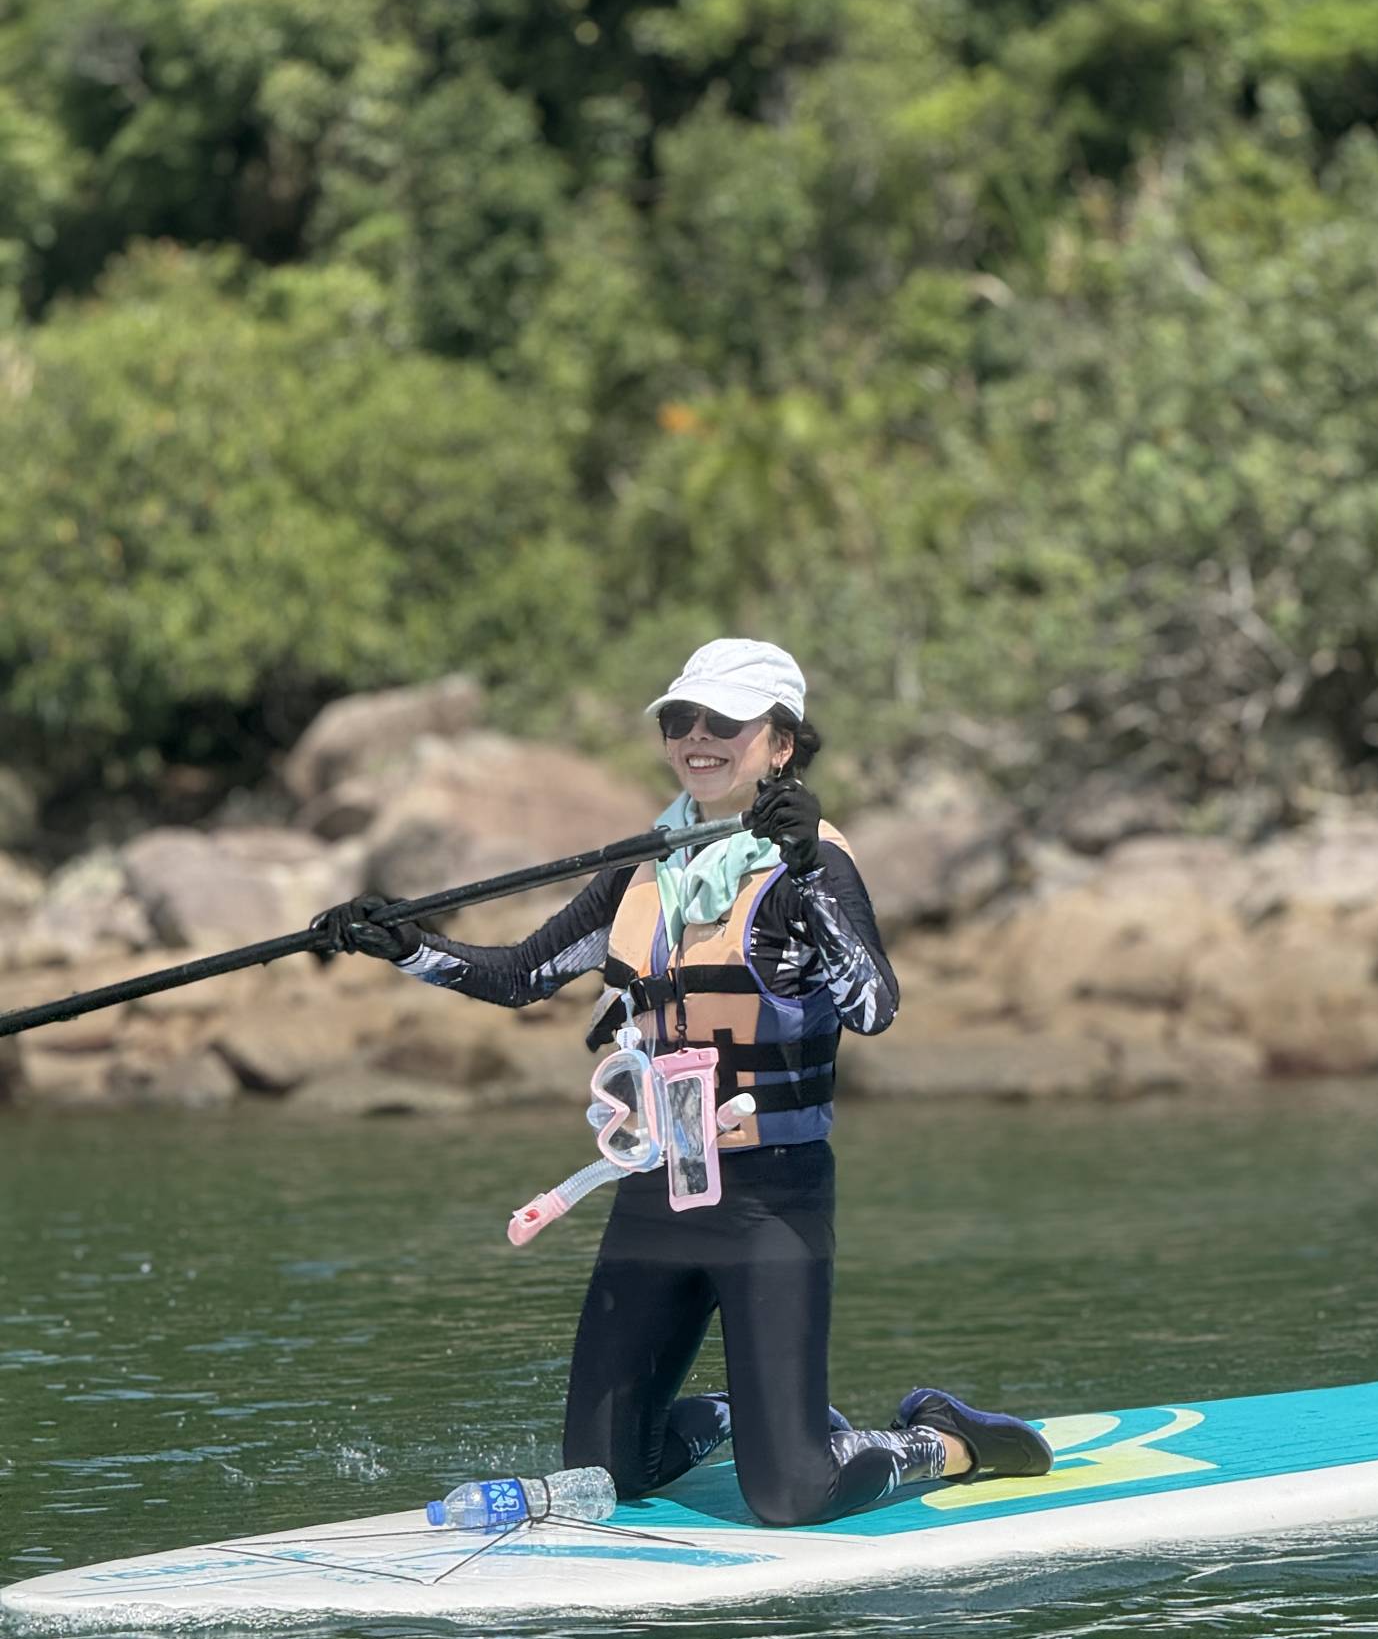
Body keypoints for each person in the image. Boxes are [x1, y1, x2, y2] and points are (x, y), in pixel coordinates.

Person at [314, 639, 1051, 1525]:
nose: (698, 738)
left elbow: (874, 1007)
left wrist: (810, 865)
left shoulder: (807, 867)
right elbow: (520, 975)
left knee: (790, 1494)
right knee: (611, 1474)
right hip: (657, 1195)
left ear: (780, 744)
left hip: (770, 1201)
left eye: (724, 723)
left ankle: (947, 1435)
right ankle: (757, 1416)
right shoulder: (644, 865)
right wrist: (406, 945)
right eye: (679, 721)